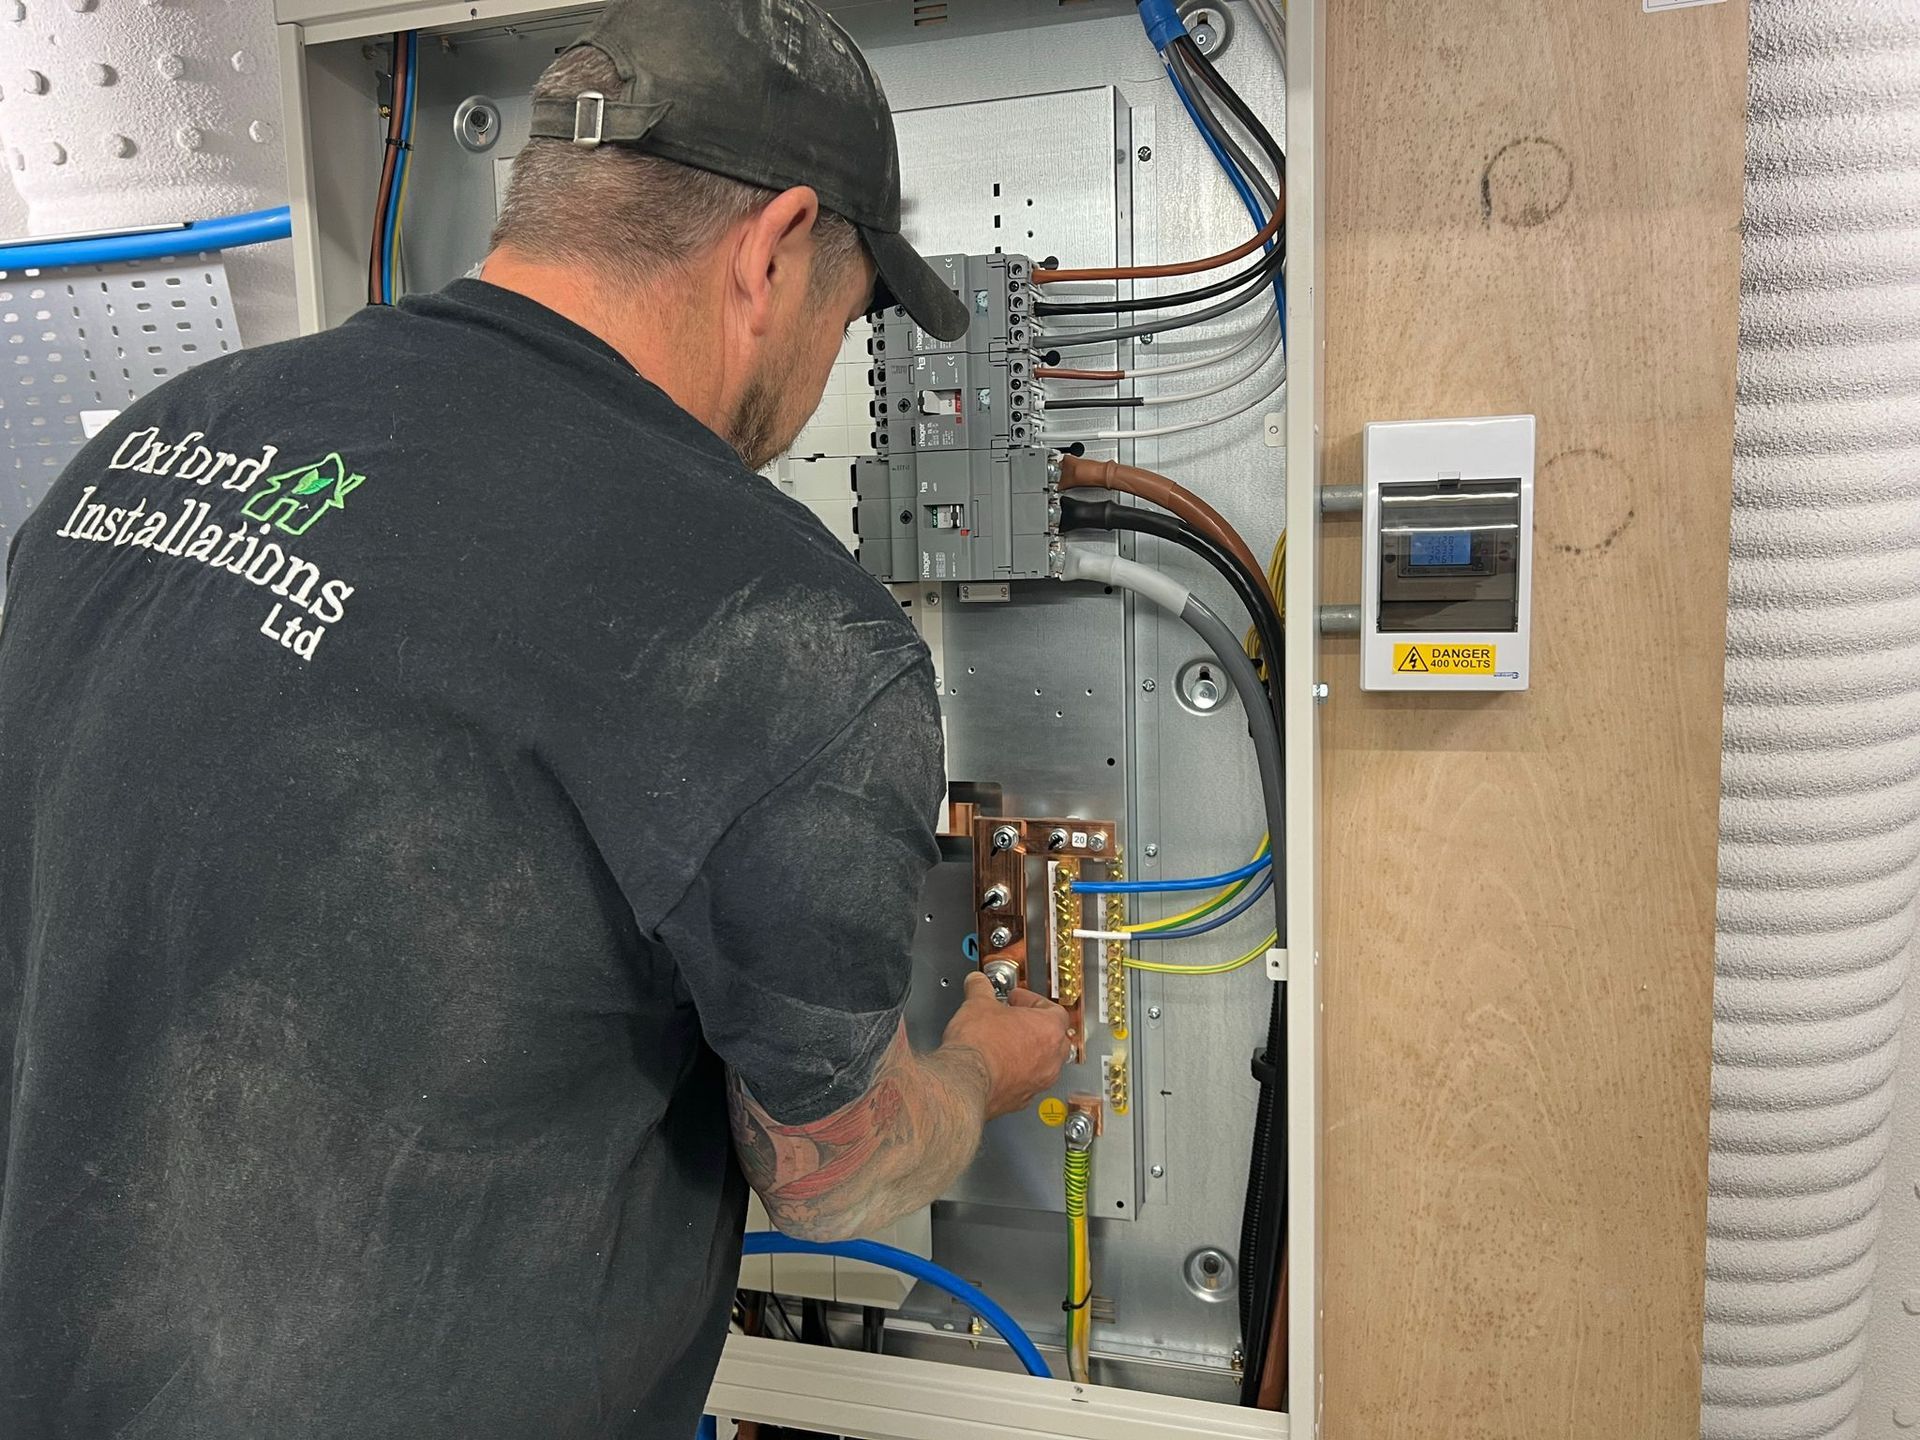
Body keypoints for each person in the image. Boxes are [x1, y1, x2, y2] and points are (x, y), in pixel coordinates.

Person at [0, 1, 1073, 1434]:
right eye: (856, 307)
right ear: (775, 250)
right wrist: (977, 1074)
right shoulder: (785, 630)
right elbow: (835, 1168)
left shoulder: (153, 443)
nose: (832, 364)